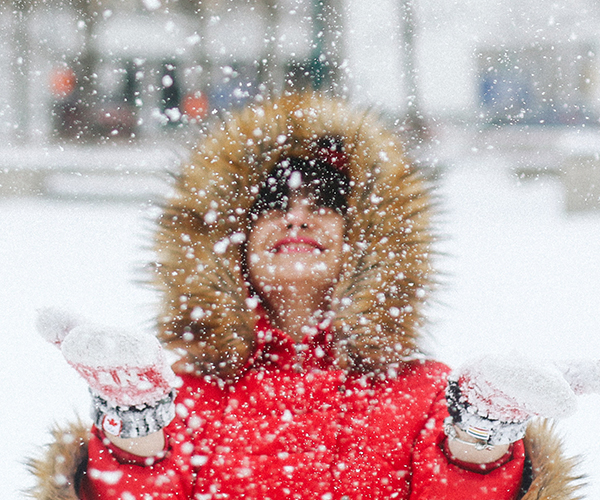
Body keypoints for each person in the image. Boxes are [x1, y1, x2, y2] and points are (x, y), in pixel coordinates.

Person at [30, 93, 584, 500]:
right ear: (229, 242)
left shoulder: (426, 394)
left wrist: (482, 435)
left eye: (325, 198)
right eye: (272, 200)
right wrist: (136, 425)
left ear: (366, 241)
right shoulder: (178, 394)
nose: (297, 214)